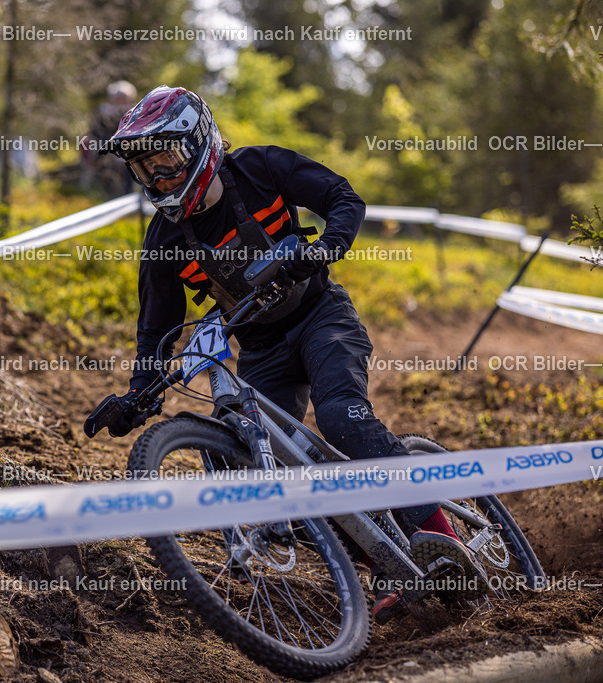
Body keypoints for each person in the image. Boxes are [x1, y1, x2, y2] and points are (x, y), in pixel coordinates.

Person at [90, 85, 487, 623]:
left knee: (342, 418)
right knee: (263, 474)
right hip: (260, 352)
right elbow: (155, 328)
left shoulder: (260, 168)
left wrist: (323, 249)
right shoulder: (165, 238)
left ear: (199, 142)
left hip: (322, 319)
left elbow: (344, 198)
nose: (159, 178)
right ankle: (391, 563)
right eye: (145, 169)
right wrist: (137, 395)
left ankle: (446, 540)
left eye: (167, 161)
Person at [81, 80, 138, 196]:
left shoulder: (136, 111)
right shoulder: (104, 112)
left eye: (126, 98)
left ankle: (130, 196)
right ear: (113, 99)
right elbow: (95, 134)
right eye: (120, 98)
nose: (123, 101)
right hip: (107, 152)